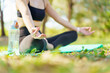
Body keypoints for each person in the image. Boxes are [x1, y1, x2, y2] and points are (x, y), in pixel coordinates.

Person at [16, 0, 95, 53]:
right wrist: (32, 30)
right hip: (27, 37)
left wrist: (78, 29)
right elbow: (26, 13)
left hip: (40, 37)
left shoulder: (44, 2)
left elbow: (58, 18)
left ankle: (49, 46)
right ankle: (47, 45)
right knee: (35, 41)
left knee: (73, 34)